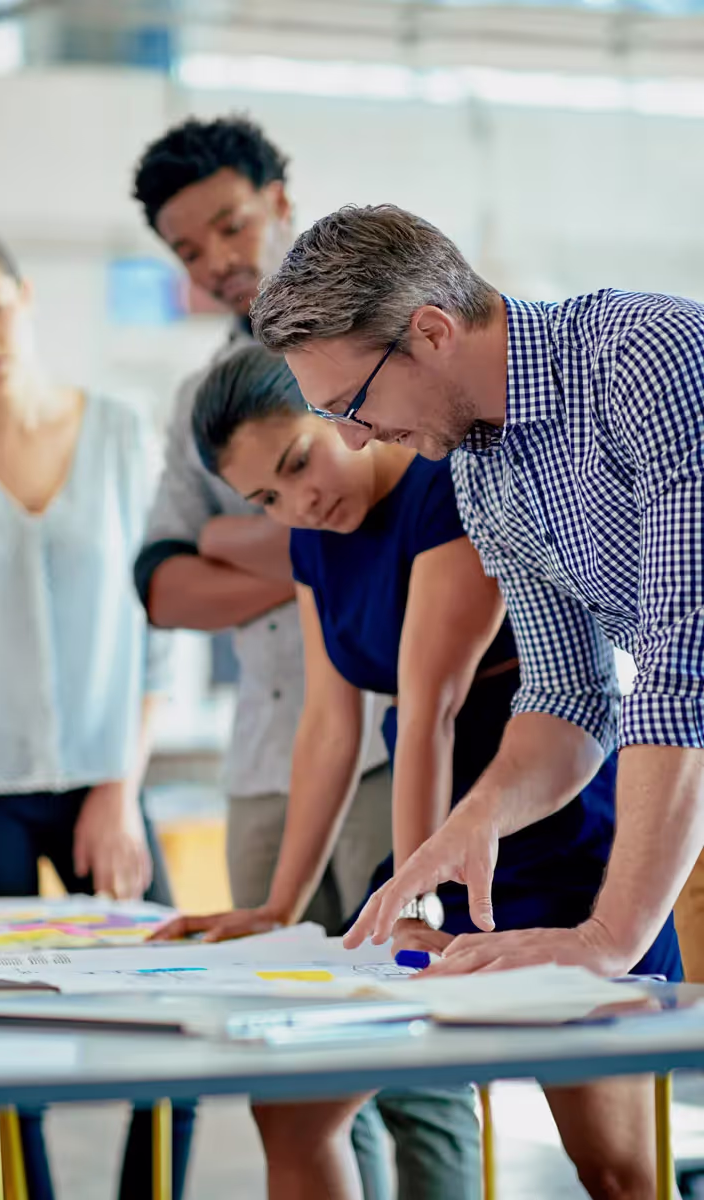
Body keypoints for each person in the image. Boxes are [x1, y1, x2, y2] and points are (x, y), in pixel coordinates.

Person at [159, 343, 680, 1200]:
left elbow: (430, 704)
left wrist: (421, 901)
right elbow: (328, 729)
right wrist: (279, 907)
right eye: (266, 498)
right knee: (293, 1116)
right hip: (427, 840)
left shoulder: (444, 488)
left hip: (546, 827)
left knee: (615, 1168)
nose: (301, 502)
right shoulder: (311, 541)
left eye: (298, 462)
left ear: (335, 409)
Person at [132, 118, 415, 1200]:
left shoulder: (370, 342)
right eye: (186, 251)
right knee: (288, 1072)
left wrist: (253, 536)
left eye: (228, 225)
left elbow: (410, 511)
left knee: (414, 1070)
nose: (214, 262)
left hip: (398, 751)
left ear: (281, 197)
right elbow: (159, 582)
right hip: (270, 762)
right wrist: (329, 546)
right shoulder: (191, 407)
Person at [0, 224, 188, 1200]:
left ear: (27, 297)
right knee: (2, 1056)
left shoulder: (123, 432)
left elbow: (156, 625)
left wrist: (119, 791)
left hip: (108, 781)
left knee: (180, 1016)